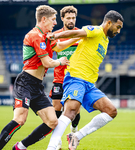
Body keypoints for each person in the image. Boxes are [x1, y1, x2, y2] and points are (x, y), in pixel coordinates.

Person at [0, 5, 80, 150]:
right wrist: (60, 62)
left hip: (37, 86)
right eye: (53, 19)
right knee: (20, 119)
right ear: (43, 19)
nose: (55, 23)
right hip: (26, 82)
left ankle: (20, 147)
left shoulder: (45, 36)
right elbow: (47, 62)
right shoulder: (35, 36)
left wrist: (76, 37)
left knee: (53, 121)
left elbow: (58, 47)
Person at [46, 10, 124, 150]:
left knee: (111, 111)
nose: (118, 31)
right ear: (109, 23)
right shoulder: (96, 30)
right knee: (70, 112)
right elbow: (76, 33)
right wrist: (56, 35)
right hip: (76, 77)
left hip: (89, 84)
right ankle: (51, 147)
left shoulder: (104, 40)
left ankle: (76, 136)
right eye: (118, 27)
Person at [48, 5, 80, 150]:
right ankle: (57, 140)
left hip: (76, 78)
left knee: (75, 112)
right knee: (57, 109)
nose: (71, 20)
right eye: (68, 18)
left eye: (73, 18)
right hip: (59, 78)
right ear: (62, 19)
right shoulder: (56, 34)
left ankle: (74, 132)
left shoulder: (81, 34)